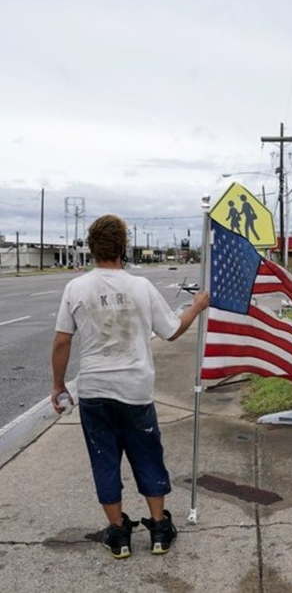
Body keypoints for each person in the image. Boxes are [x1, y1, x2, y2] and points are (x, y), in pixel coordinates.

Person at [50, 214, 209, 559]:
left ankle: (119, 535)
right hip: (135, 391)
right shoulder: (141, 288)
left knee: (104, 461)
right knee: (148, 456)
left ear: (91, 249)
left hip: (93, 391)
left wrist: (59, 385)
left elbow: (62, 342)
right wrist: (195, 306)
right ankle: (159, 530)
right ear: (124, 247)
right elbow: (171, 330)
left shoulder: (76, 289)